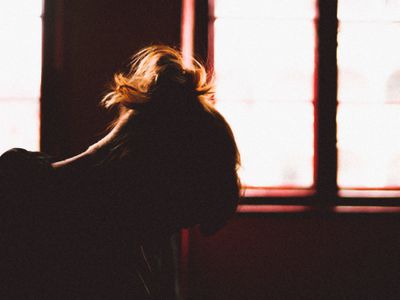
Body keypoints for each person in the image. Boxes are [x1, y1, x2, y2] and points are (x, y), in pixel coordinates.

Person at [0, 45, 240, 299]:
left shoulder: (148, 234)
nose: (169, 230)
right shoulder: (17, 201)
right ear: (154, 178)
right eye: (175, 216)